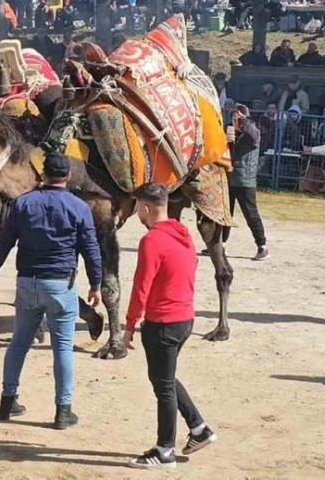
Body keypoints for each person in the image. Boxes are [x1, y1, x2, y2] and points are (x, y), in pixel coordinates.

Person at [0, 153, 103, 430]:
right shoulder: (78, 207)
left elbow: (4, 242)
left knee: (18, 344)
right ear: (68, 177)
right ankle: (63, 410)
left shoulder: (23, 203)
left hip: (27, 281)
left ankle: (7, 400)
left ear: (43, 174)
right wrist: (96, 284)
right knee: (62, 348)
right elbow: (91, 249)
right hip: (61, 284)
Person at [123, 183, 216, 470]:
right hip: (184, 318)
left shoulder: (151, 241)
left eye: (138, 205)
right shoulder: (182, 234)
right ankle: (199, 428)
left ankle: (165, 450)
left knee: (162, 387)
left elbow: (142, 286)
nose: (137, 211)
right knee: (166, 378)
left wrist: (128, 326)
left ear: (146, 208)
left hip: (162, 322)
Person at [224, 105, 269, 260]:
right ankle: (220, 245)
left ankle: (262, 247)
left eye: (238, 117)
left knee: (251, 214)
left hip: (245, 180)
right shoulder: (230, 131)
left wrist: (243, 122)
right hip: (229, 177)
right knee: (224, 213)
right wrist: (225, 139)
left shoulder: (252, 131)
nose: (234, 120)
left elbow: (254, 136)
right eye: (233, 117)